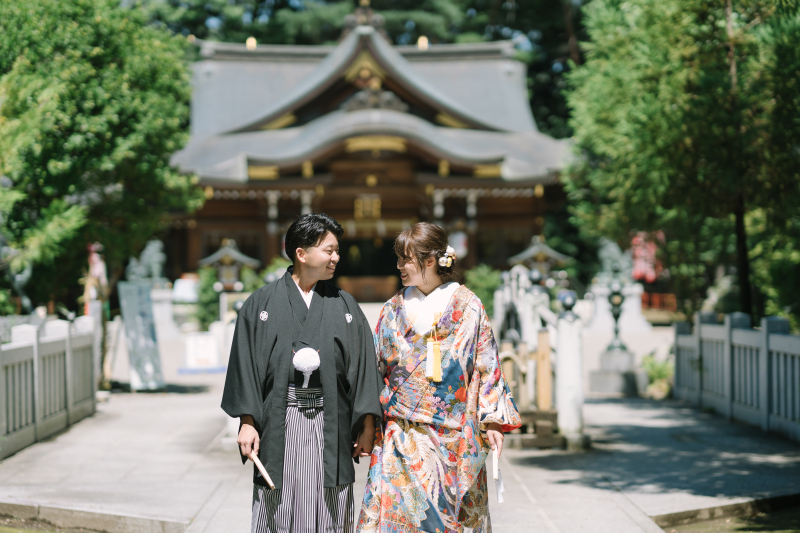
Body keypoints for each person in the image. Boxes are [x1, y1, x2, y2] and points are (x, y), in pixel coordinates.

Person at [222, 213, 383, 533]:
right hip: (278, 418)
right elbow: (245, 365)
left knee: (330, 502)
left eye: (337, 250)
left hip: (331, 419)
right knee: (277, 497)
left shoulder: (345, 306)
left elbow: (364, 366)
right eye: (329, 250)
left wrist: (366, 423)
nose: (336, 257)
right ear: (301, 253)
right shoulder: (261, 304)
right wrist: (247, 422)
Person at [358, 222, 521, 533]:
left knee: (451, 520)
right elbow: (375, 370)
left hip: (454, 436)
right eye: (399, 259)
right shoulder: (392, 309)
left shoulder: (468, 305)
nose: (399, 267)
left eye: (406, 259)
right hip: (400, 434)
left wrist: (494, 421)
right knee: (399, 519)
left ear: (430, 261)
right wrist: (367, 422)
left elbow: (486, 363)